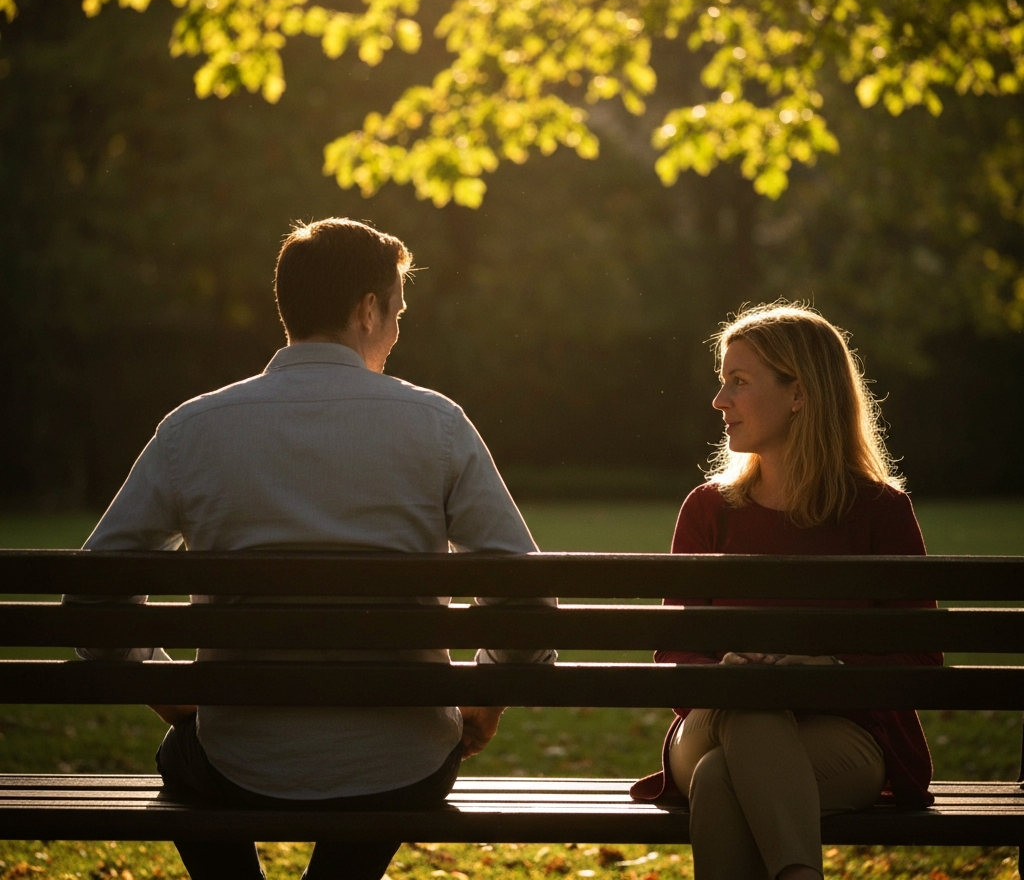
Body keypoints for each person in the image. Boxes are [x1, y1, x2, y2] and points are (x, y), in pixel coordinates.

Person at [68, 217, 555, 880]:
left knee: (180, 755)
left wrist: (169, 688)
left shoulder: (195, 429)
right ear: (366, 310)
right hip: (400, 763)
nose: (397, 330)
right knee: (383, 768)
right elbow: (524, 601)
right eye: (397, 312)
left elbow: (92, 600)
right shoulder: (437, 425)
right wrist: (485, 696)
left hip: (240, 760)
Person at [629, 302, 941, 880]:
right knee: (751, 698)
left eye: (739, 383)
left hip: (842, 739)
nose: (720, 401)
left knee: (722, 782)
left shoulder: (880, 513)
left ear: (800, 394)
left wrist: (825, 668)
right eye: (722, 383)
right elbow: (673, 654)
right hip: (711, 719)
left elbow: (921, 656)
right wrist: (729, 671)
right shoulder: (708, 511)